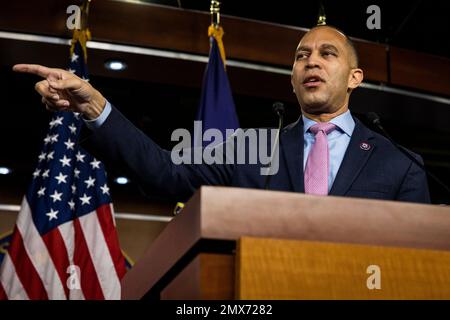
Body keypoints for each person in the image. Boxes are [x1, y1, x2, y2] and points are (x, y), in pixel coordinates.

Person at [13, 25, 430, 203]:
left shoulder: (401, 163)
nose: (311, 62)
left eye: (326, 54)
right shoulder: (250, 150)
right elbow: (164, 173)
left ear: (355, 77)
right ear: (292, 78)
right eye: (302, 56)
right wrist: (93, 106)